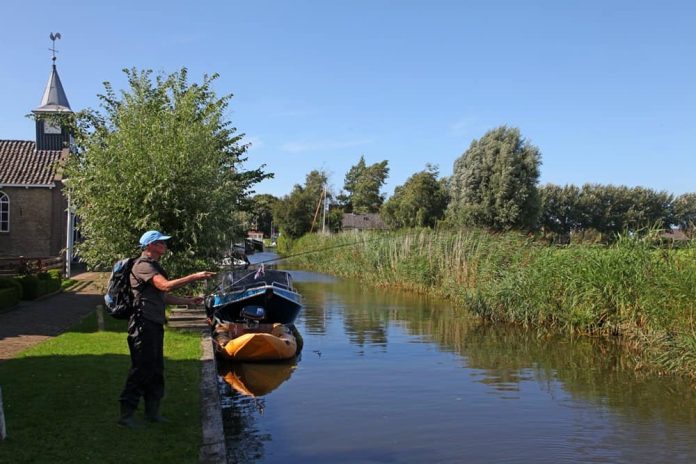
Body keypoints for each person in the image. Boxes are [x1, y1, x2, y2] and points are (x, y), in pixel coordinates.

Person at [118, 230, 215, 427]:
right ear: (150, 245)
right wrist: (195, 276)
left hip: (154, 323)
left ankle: (152, 413)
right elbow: (165, 286)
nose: (164, 245)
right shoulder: (143, 265)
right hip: (142, 324)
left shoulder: (154, 265)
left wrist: (188, 301)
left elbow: (162, 296)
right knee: (141, 369)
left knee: (155, 369)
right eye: (160, 242)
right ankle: (126, 416)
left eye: (164, 242)